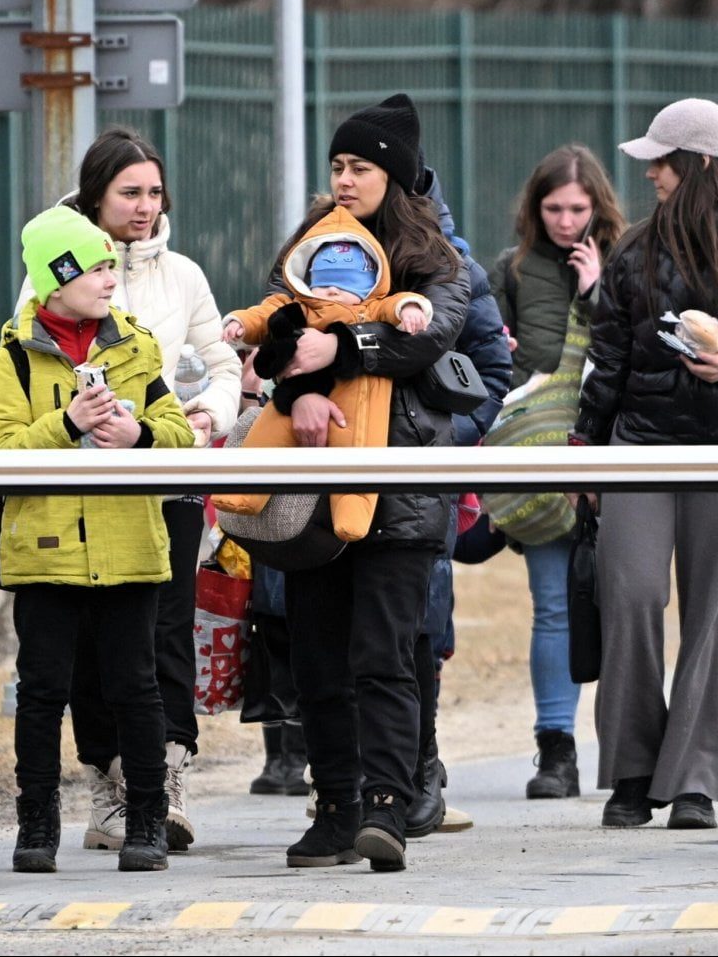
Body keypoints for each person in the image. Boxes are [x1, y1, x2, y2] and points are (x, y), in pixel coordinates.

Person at [572, 98, 718, 831]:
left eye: (663, 162)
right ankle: (633, 767)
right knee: (631, 596)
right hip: (638, 446)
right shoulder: (633, 252)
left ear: (701, 164)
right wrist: (587, 456)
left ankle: (697, 775)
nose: (652, 174)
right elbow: (605, 361)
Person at [268, 93, 470, 873]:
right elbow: (277, 332)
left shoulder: (437, 256)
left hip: (400, 483)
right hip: (316, 483)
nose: (345, 180)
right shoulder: (313, 243)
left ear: (394, 172)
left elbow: (431, 335)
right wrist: (298, 388)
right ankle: (335, 805)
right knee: (315, 657)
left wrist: (342, 351)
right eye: (338, 166)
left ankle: (386, 805)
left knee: (382, 652)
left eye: (360, 166)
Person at [0, 205, 195, 874]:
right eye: (96, 267)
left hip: (130, 544)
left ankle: (147, 822)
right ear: (54, 280)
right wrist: (66, 424)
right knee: (42, 688)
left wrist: (141, 436)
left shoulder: (138, 345)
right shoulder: (10, 359)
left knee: (137, 685)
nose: (109, 278)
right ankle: (36, 824)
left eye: (109, 266)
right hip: (45, 554)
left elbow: (179, 432)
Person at [58, 127, 241, 855]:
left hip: (170, 475)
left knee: (168, 627)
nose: (144, 206)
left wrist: (205, 418)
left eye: (154, 192)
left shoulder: (184, 276)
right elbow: (31, 353)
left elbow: (223, 364)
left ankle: (165, 776)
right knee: (92, 639)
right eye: (129, 192)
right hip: (89, 484)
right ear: (96, 195)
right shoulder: (57, 263)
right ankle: (107, 785)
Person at [488, 144, 627, 800]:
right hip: (543, 464)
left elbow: (635, 348)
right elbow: (483, 360)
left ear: (598, 206)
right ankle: (556, 750)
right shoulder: (511, 270)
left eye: (578, 207)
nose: (566, 221)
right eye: (553, 208)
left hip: (614, 455)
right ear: (533, 208)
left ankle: (631, 748)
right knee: (551, 606)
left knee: (632, 605)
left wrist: (599, 288)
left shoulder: (628, 264)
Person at [406, 160, 512, 836]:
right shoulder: (332, 253)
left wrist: (451, 436)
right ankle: (349, 775)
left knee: (423, 618)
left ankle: (421, 767)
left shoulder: (456, 268)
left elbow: (494, 368)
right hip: (350, 469)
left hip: (425, 476)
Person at [215, 212, 431, 541]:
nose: (331, 291)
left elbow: (395, 304)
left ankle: (352, 511)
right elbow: (264, 313)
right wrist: (241, 324)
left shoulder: (370, 308)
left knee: (358, 451)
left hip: (355, 397)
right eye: (324, 281)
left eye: (344, 284)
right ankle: (243, 491)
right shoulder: (298, 304)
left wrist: (410, 309)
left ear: (368, 284)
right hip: (294, 396)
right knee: (266, 434)